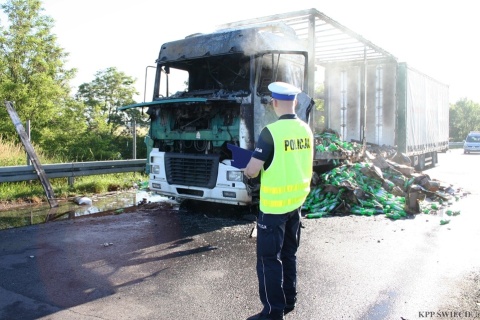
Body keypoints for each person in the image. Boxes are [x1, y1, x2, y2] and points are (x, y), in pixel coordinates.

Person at [244, 82, 314, 320]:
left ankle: (273, 312)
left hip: (273, 208)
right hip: (296, 205)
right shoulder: (306, 130)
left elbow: (253, 170)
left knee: (268, 260)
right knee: (288, 254)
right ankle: (288, 301)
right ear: (294, 102)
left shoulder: (270, 132)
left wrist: (247, 167)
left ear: (274, 103)